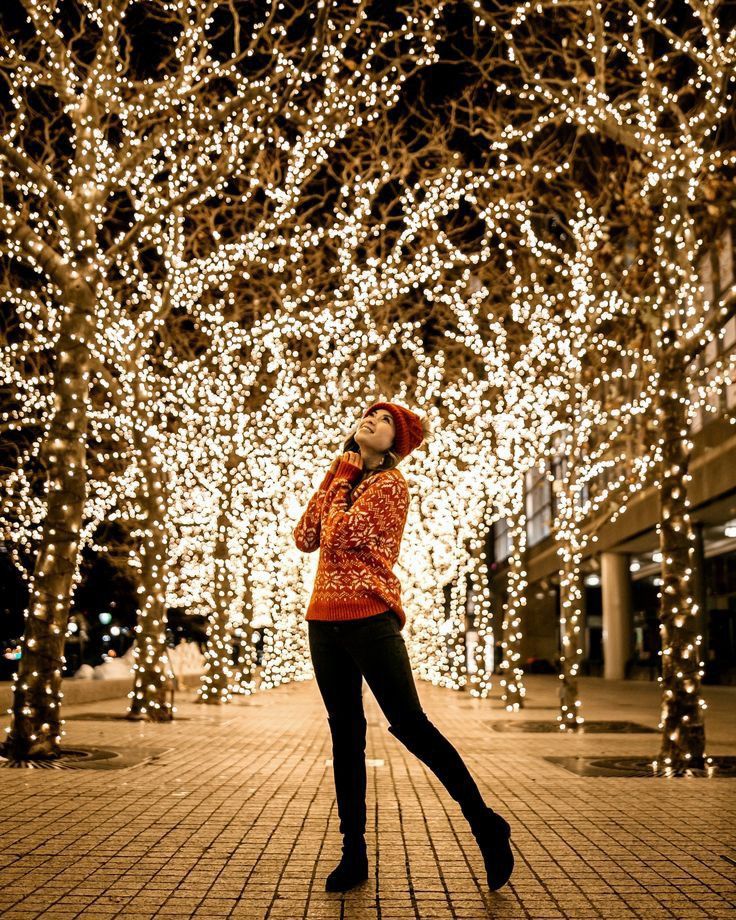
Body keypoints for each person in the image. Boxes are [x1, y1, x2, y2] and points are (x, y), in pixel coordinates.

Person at [293, 401, 514, 893]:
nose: (371, 419)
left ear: (398, 442)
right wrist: (338, 472)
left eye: (386, 419)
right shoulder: (344, 477)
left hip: (370, 618)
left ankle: (484, 824)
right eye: (369, 413)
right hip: (323, 620)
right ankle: (354, 854)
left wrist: (345, 473)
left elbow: (341, 532)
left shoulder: (390, 486)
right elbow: (305, 537)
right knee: (344, 738)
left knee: (411, 726)